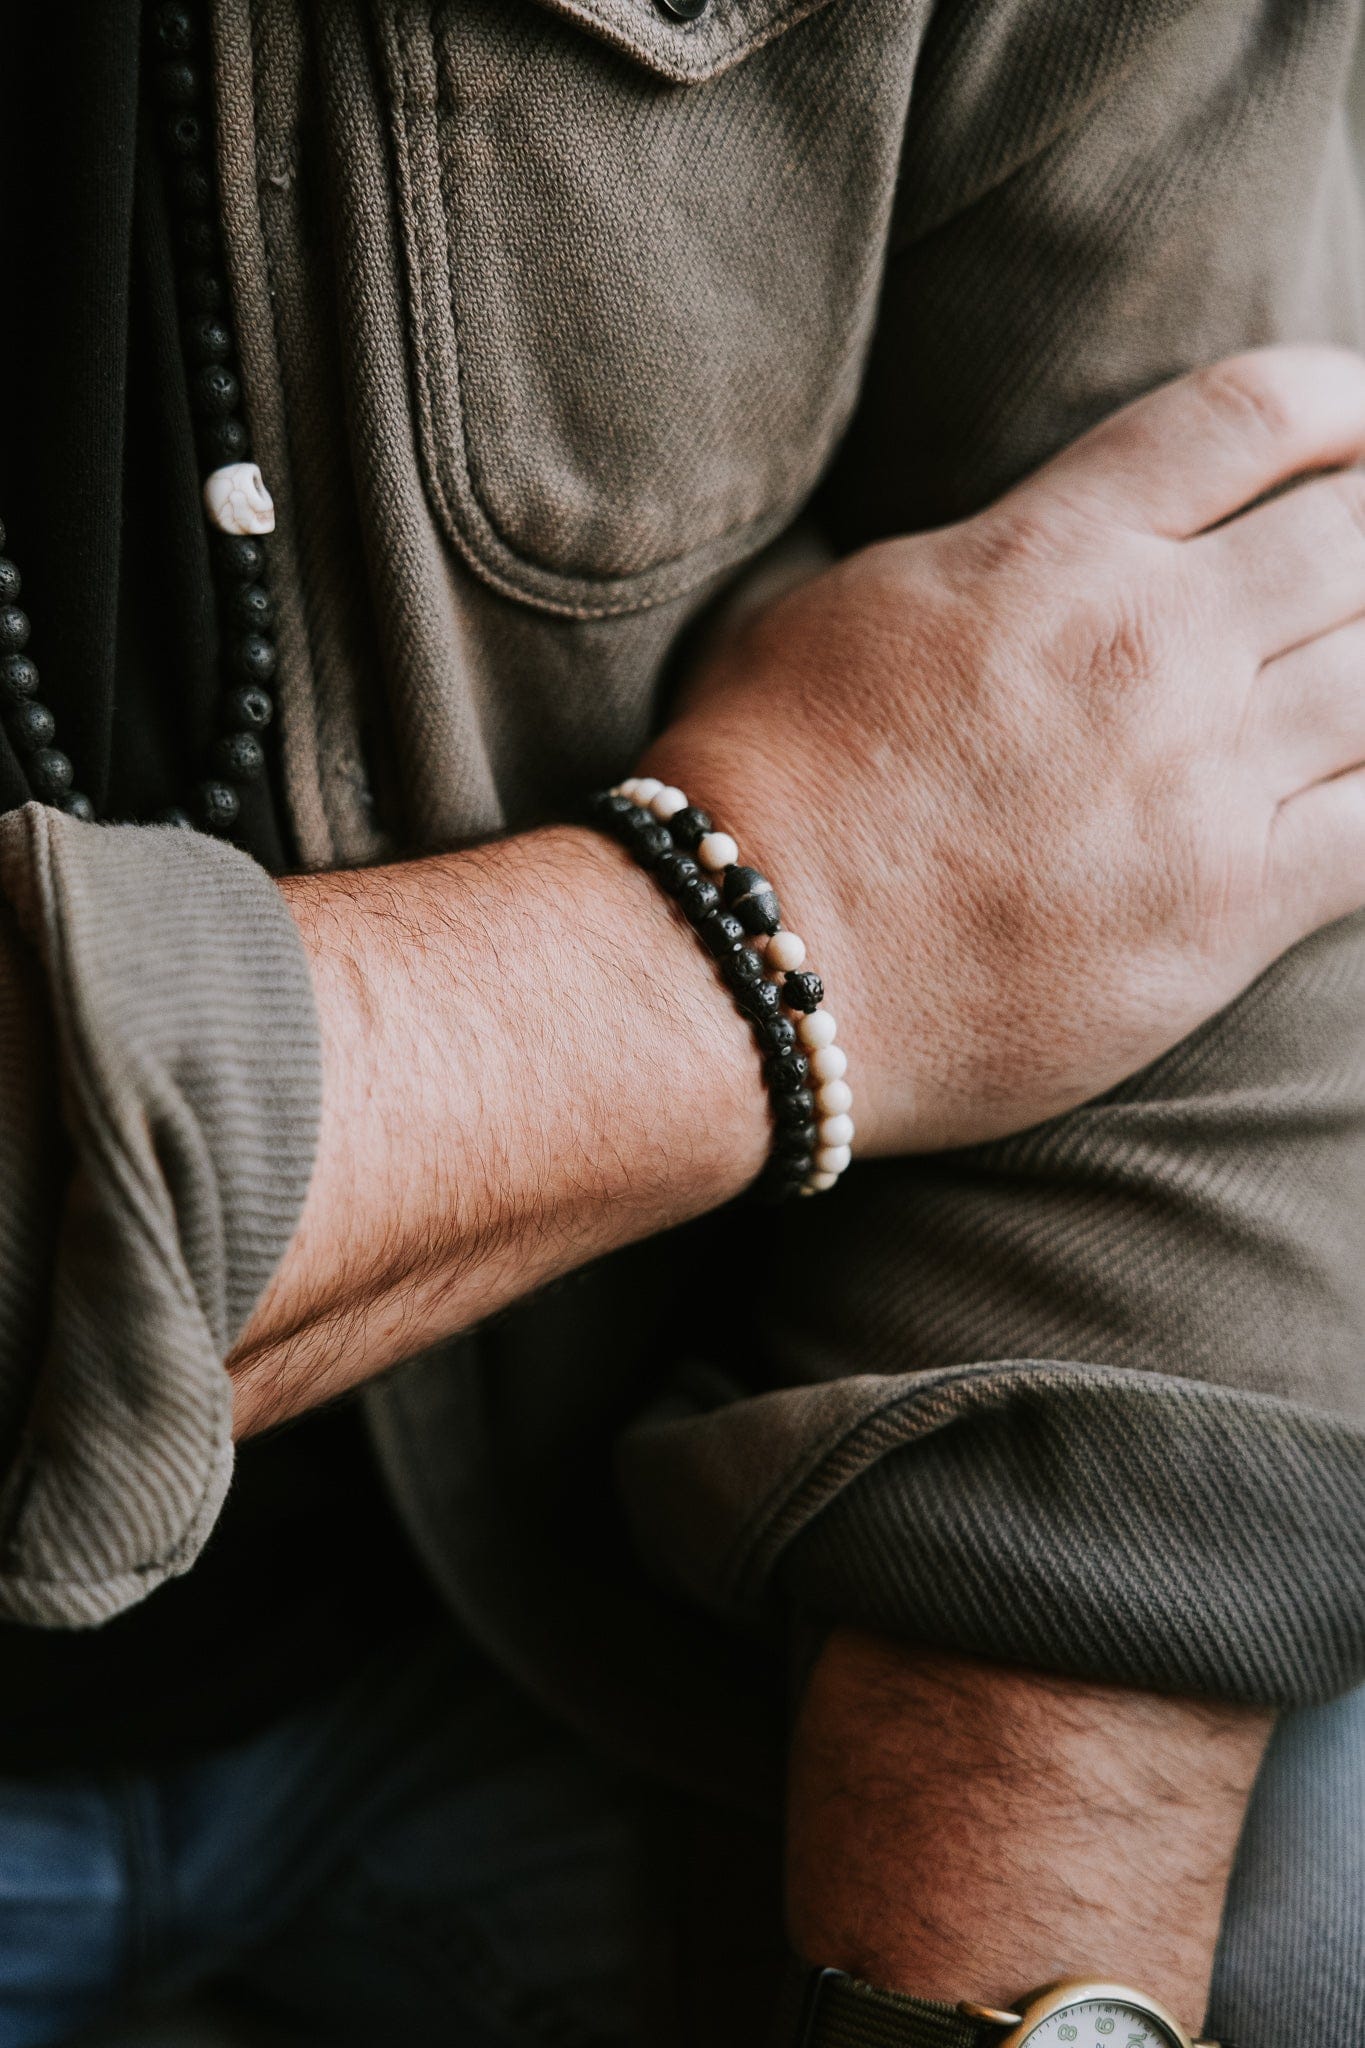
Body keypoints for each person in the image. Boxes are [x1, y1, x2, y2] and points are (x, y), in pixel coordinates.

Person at [0, 3, 1363, 2046]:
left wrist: (981, 1997)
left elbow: (1207, 738)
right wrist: (761, 937)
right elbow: (1022, 831)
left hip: (595, 1582)